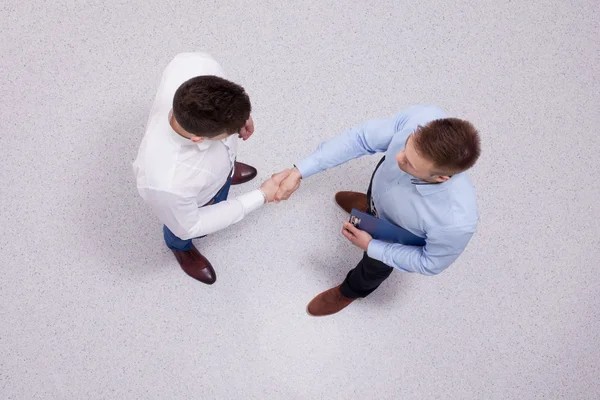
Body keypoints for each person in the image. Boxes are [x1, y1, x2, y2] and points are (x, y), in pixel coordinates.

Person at [275, 105, 481, 316]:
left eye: (409, 163)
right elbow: (361, 139)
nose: (397, 157)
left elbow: (429, 263)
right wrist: (300, 171)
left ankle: (350, 291)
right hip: (379, 193)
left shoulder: (455, 222)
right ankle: (368, 208)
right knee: (373, 197)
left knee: (373, 268)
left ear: (440, 178)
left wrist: (372, 246)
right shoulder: (424, 117)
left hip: (392, 237)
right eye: (405, 147)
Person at [133, 53, 289, 285]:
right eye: (230, 132)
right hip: (198, 200)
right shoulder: (167, 184)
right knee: (180, 233)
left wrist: (242, 117)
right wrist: (261, 196)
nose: (242, 129)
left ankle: (227, 172)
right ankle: (180, 249)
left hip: (214, 170)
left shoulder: (196, 65)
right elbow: (190, 225)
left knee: (224, 168)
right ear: (198, 139)